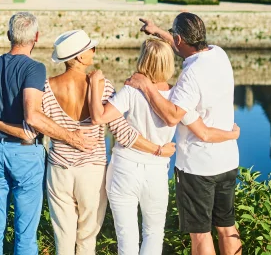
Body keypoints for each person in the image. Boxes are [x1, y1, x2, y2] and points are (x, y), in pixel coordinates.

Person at [0, 29, 176, 255]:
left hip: (59, 170)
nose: (94, 52)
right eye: (91, 49)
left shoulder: (46, 87)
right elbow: (121, 131)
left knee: (63, 237)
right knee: (87, 238)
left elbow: (31, 129)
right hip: (92, 172)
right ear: (79, 56)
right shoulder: (102, 86)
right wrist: (158, 149)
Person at [88, 38, 240, 255]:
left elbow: (100, 117)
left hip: (124, 167)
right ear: (169, 63)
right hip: (156, 171)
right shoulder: (178, 97)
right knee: (154, 233)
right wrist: (231, 134)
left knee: (126, 236)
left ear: (143, 60)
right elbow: (203, 131)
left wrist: (95, 85)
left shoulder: (132, 90)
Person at [0, 13, 97, 255]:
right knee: (25, 230)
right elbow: (33, 117)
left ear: (9, 36)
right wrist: (73, 137)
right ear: (36, 37)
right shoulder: (34, 69)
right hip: (25, 153)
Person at [126, 13, 242, 255]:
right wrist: (158, 31)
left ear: (179, 39)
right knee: (227, 227)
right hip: (228, 160)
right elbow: (183, 45)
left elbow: (172, 115)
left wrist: (146, 86)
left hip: (197, 167)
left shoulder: (191, 75)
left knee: (200, 234)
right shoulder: (219, 54)